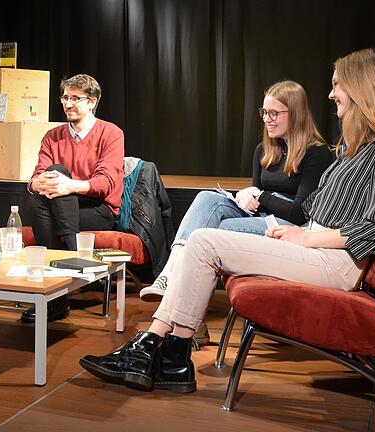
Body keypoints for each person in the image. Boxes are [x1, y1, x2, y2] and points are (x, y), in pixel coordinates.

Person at [80, 48, 375, 394]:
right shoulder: (354, 148)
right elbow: (320, 207)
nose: (330, 94)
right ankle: (166, 355)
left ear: (361, 88)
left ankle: (158, 353)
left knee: (205, 241)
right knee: (205, 234)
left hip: (336, 261)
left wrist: (306, 236)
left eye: (337, 84)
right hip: (317, 246)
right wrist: (286, 220)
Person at [139, 80, 333, 309]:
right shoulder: (264, 150)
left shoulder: (316, 154)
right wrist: (247, 196)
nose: (266, 119)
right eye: (264, 112)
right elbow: (256, 192)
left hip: (288, 225)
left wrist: (260, 196)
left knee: (213, 233)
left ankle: (180, 293)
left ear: (296, 114)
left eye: (274, 113)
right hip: (261, 215)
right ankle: (170, 273)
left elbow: (299, 213)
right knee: (207, 198)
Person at [22, 74, 125, 323]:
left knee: (57, 179)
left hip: (97, 208)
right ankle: (75, 256)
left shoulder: (110, 133)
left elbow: (105, 184)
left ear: (92, 102)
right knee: (40, 193)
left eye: (75, 98)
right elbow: (40, 175)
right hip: (63, 207)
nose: (68, 103)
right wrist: (34, 184)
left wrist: (70, 186)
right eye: (65, 98)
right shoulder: (52, 136)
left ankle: (56, 301)